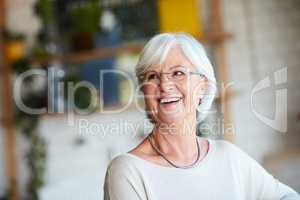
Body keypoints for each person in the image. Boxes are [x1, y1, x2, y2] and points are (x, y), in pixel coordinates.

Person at [103, 33, 299, 200]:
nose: (165, 85)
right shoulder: (127, 170)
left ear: (203, 86)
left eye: (178, 73)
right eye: (153, 76)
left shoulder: (228, 156)